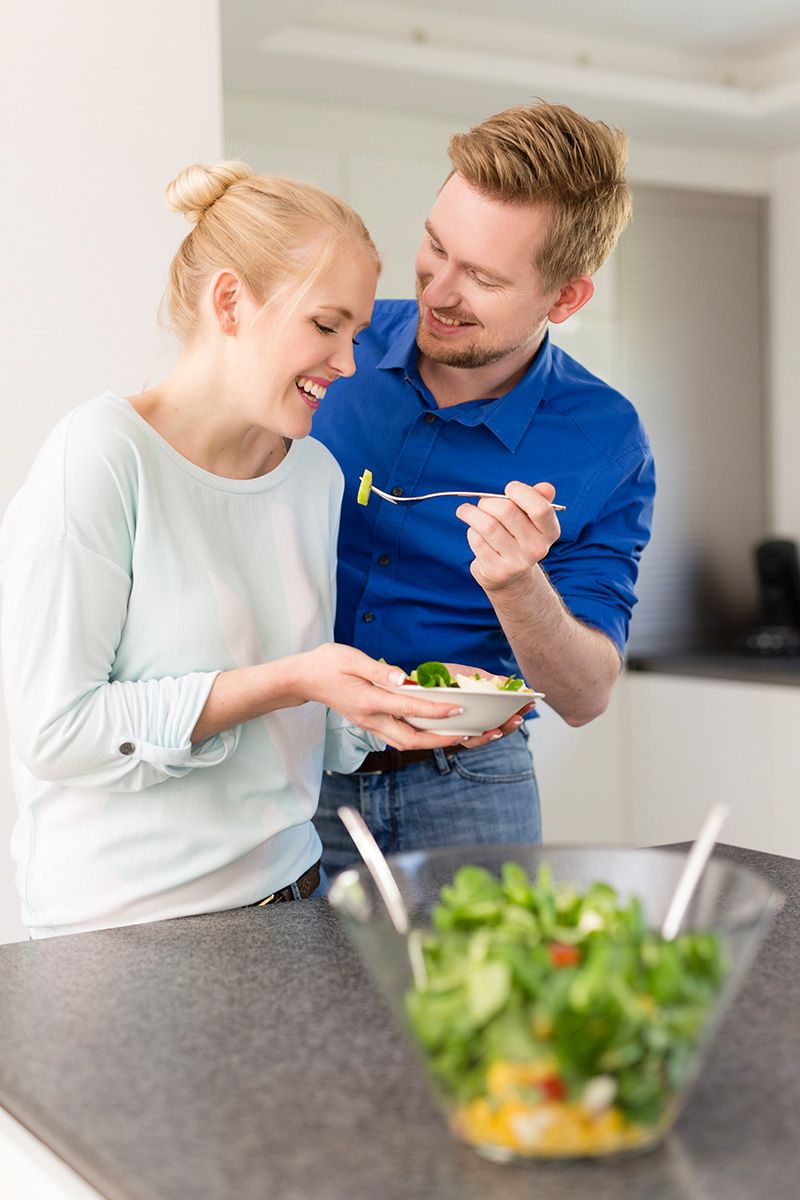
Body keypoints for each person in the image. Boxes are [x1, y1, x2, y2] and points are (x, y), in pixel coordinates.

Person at [0, 161, 503, 939]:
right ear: (229, 301)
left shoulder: (314, 475)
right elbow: (55, 730)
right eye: (325, 325)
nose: (347, 363)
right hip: (117, 936)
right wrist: (292, 678)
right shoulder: (101, 455)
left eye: (358, 335)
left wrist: (402, 708)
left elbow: (298, 720)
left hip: (290, 902)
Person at [313, 102, 655, 872]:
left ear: (564, 299)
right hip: (291, 770)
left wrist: (516, 582)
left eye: (483, 277)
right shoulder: (336, 349)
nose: (438, 291)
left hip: (469, 787)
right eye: (436, 247)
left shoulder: (606, 439)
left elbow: (585, 693)